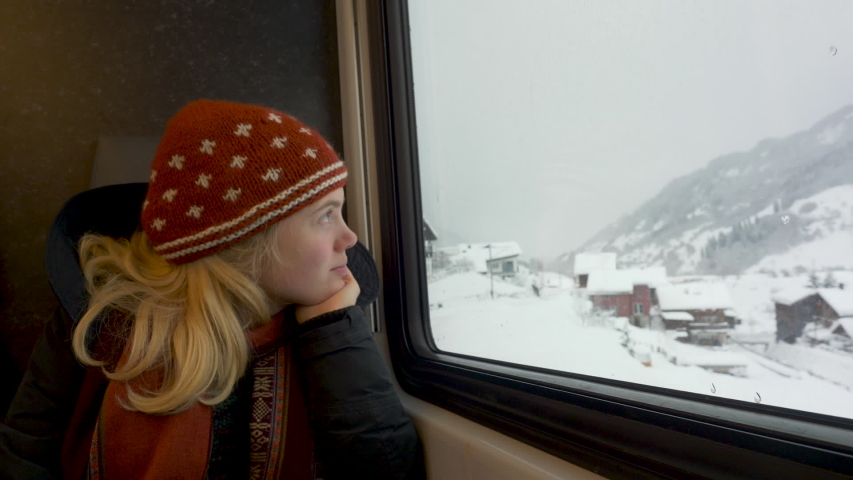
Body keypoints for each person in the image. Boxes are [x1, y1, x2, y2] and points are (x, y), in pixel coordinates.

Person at [0, 100, 426, 479]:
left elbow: (387, 468)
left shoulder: (329, 328)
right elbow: (24, 453)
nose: (350, 237)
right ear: (247, 240)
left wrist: (334, 330)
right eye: (326, 216)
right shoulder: (97, 321)